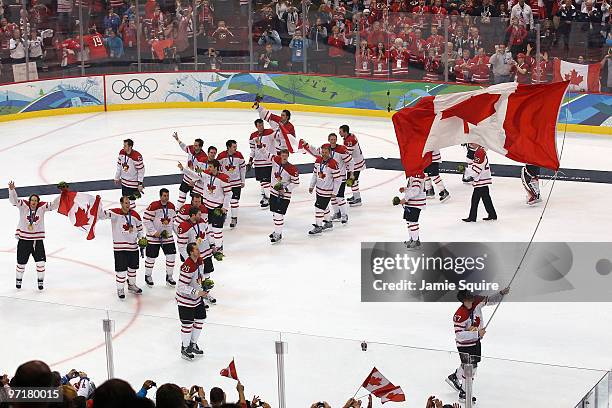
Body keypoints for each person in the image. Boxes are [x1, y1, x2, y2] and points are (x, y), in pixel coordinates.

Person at [446, 287, 509, 403]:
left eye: (471, 298)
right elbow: (459, 335)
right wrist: (477, 333)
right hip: (464, 345)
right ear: (463, 301)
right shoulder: (459, 315)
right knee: (471, 367)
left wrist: (500, 294)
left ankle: (455, 377)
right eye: (468, 299)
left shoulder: (476, 302)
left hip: (475, 342)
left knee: (468, 365)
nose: (471, 300)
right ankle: (464, 393)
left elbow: (490, 300)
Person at [8, 181, 60, 290]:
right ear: (29, 200)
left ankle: (40, 282)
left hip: (37, 241)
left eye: (36, 201)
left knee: (41, 262)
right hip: (24, 240)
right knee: (21, 263)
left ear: (38, 202)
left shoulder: (42, 207)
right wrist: (12, 190)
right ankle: (18, 280)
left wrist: (62, 195)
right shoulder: (23, 206)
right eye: (32, 200)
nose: (34, 202)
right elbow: (14, 201)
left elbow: (54, 205)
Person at [179, 160, 231, 255]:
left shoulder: (224, 178)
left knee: (217, 229)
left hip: (217, 208)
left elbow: (228, 194)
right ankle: (213, 246)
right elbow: (195, 175)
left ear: (216, 167)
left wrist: (225, 207)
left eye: (210, 167)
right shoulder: (206, 174)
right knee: (209, 228)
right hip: (206, 207)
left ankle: (219, 248)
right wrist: (183, 170)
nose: (208, 168)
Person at [302, 133, 354, 224]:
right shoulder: (325, 148)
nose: (333, 141)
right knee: (332, 198)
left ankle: (344, 215)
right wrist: (307, 145)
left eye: (334, 139)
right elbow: (315, 151)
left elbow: (351, 161)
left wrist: (351, 173)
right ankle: (337, 213)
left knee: (339, 197)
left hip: (340, 177)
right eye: (331, 139)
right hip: (329, 179)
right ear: (328, 140)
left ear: (336, 140)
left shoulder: (342, 149)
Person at [99, 196, 144, 299]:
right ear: (121, 204)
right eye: (126, 203)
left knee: (133, 269)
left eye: (128, 203)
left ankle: (131, 285)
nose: (128, 205)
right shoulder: (115, 213)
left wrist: (141, 239)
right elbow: (101, 215)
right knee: (121, 271)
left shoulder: (135, 215)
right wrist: (97, 204)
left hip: (133, 247)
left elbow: (140, 230)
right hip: (120, 248)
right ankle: (120, 289)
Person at [255, 145, 300, 243]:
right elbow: (266, 153)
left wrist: (286, 189)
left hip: (284, 195)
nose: (284, 157)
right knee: (275, 214)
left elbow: (296, 183)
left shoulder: (292, 169)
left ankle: (278, 234)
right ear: (280, 155)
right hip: (273, 193)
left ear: (288, 156)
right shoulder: (275, 160)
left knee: (278, 214)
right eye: (282, 155)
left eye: (285, 156)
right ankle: (277, 231)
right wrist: (259, 145)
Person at [176, 206, 215, 305]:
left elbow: (208, 232)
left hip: (205, 254)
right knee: (194, 279)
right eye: (198, 214)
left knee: (205, 275)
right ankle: (198, 297)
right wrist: (189, 259)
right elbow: (181, 246)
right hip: (194, 257)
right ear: (193, 215)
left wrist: (213, 245)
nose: (201, 216)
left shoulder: (202, 221)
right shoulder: (184, 226)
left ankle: (206, 294)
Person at [176, 243, 208, 361]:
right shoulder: (187, 266)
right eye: (196, 250)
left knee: (200, 319)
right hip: (185, 300)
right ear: (190, 252)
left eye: (198, 249)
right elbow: (181, 287)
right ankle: (185, 348)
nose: (198, 251)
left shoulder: (199, 261)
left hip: (196, 299)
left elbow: (200, 278)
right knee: (187, 324)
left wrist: (203, 288)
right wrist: (196, 292)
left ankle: (192, 344)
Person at [143, 188, 177, 287]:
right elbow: (146, 220)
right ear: (160, 196)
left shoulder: (171, 206)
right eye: (164, 196)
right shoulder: (154, 206)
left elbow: (173, 221)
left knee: (171, 257)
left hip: (167, 237)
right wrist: (154, 232)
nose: (166, 198)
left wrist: (178, 234)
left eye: (167, 196)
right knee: (151, 258)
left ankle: (169, 277)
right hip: (153, 238)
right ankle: (148, 276)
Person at [308, 145, 342, 235]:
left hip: (327, 191)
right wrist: (312, 186)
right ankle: (328, 222)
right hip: (319, 190)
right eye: (323, 152)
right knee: (324, 207)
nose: (324, 154)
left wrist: (335, 192)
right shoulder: (318, 160)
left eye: (326, 152)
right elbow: (315, 174)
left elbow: (338, 180)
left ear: (329, 153)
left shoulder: (333, 164)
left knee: (318, 207)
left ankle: (318, 226)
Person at [462, 145, 497, 222]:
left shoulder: (480, 152)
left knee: (475, 199)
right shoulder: (479, 150)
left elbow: (478, 166)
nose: (470, 143)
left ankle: (472, 217)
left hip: (481, 179)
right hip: (483, 178)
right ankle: (492, 214)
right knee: (486, 198)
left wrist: (470, 176)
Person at [216, 140, 246, 228]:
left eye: (236, 147)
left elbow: (243, 169)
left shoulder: (239, 155)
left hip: (236, 183)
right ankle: (223, 215)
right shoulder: (221, 156)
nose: (235, 149)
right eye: (234, 147)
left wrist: (243, 181)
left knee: (234, 201)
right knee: (223, 201)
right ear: (228, 147)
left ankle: (234, 218)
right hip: (225, 183)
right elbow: (217, 168)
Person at [172, 132, 207, 207]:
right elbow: (184, 147)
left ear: (200, 147)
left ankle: (193, 214)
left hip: (195, 182)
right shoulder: (191, 148)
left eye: (196, 145)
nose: (194, 146)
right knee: (181, 196)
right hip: (186, 177)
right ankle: (178, 211)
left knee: (195, 201)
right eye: (194, 144)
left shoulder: (203, 157)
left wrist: (194, 180)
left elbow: (201, 172)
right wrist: (178, 139)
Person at [248, 119, 276, 208]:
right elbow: (252, 150)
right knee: (262, 181)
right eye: (259, 125)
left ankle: (269, 199)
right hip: (258, 163)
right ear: (256, 126)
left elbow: (278, 137)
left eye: (262, 125)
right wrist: (250, 161)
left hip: (268, 161)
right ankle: (266, 196)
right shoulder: (253, 136)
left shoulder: (270, 132)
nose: (261, 127)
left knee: (266, 181)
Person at [114, 138, 145, 210]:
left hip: (132, 183)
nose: (123, 147)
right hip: (124, 182)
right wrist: (117, 177)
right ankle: (128, 217)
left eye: (125, 145)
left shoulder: (136, 156)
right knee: (125, 201)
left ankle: (132, 218)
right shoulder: (121, 153)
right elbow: (119, 166)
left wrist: (140, 184)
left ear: (130, 147)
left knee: (131, 202)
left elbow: (141, 170)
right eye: (123, 145)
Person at [339, 125, 366, 206]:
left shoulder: (349, 141)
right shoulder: (351, 136)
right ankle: (355, 196)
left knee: (352, 180)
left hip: (356, 164)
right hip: (357, 162)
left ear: (345, 132)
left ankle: (358, 199)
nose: (339, 133)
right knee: (352, 180)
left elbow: (348, 154)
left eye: (340, 131)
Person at [399, 171, 426, 249]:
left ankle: (415, 241)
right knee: (409, 222)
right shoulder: (414, 175)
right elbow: (413, 189)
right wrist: (405, 189)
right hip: (411, 204)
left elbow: (415, 191)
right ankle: (413, 239)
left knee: (412, 222)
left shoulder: (416, 175)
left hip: (415, 204)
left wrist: (405, 198)